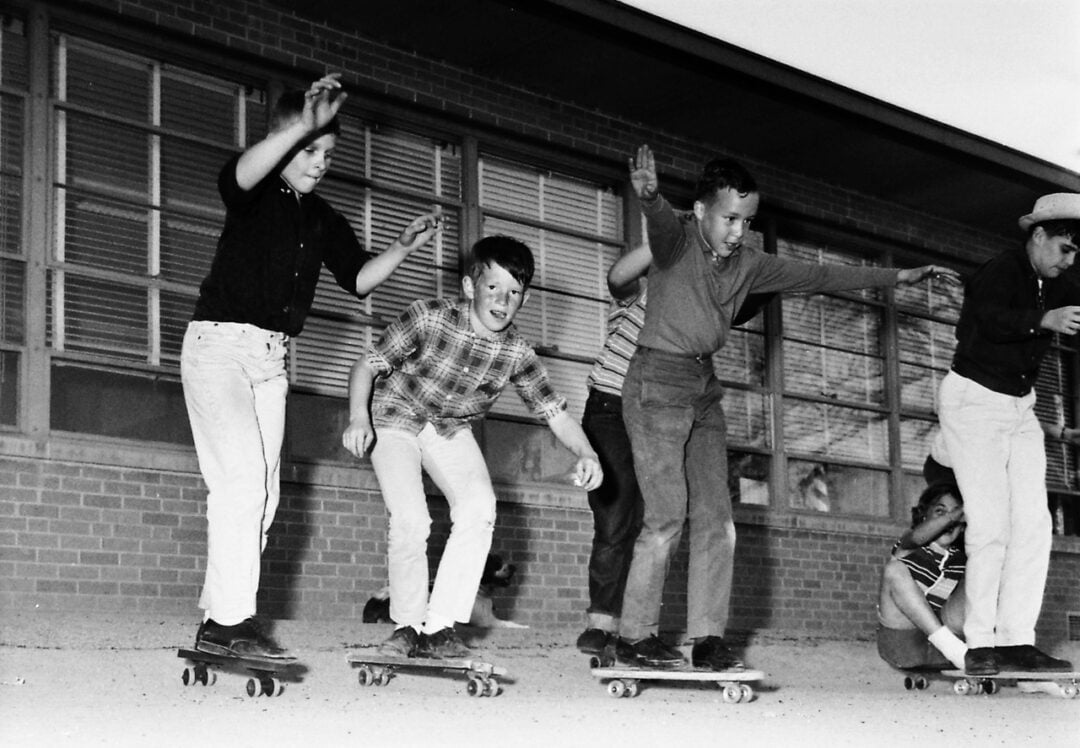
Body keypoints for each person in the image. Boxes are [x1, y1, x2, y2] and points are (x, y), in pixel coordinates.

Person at [608, 144, 961, 672]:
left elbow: (818, 276)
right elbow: (659, 226)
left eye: (747, 222)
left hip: (703, 386)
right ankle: (634, 638)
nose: (738, 232)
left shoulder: (750, 262)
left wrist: (899, 277)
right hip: (657, 380)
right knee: (664, 517)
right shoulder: (677, 242)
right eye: (729, 218)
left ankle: (707, 638)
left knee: (717, 521)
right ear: (702, 211)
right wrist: (652, 197)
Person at [182, 73, 441, 659]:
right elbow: (236, 176)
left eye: (328, 153)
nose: (320, 162)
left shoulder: (320, 217)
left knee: (266, 498)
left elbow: (357, 278)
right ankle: (228, 621)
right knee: (242, 483)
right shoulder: (254, 191)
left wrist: (402, 247)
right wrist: (302, 122)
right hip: (218, 349)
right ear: (282, 137)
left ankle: (218, 618)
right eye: (309, 149)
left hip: (270, 362)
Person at [343, 235, 603, 659]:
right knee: (411, 518)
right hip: (394, 417)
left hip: (448, 429)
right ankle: (407, 626)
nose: (503, 300)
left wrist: (586, 453)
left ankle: (439, 627)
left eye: (514, 292)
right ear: (469, 287)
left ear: (525, 297)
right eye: (493, 287)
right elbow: (367, 365)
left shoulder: (517, 351)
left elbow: (555, 412)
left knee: (480, 508)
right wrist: (358, 416)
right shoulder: (430, 317)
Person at [576, 245, 772, 655]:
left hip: (669, 410)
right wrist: (667, 237)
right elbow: (618, 277)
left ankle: (654, 631)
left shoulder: (708, 314)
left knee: (671, 513)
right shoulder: (649, 289)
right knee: (618, 514)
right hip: (613, 405)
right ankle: (603, 622)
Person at [936, 192, 1080, 676]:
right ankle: (980, 641)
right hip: (974, 400)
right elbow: (986, 321)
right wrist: (1043, 320)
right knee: (991, 524)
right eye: (1064, 248)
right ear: (1038, 236)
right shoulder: (1002, 270)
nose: (1069, 261)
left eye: (1077, 254)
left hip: (1020, 409)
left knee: (1034, 525)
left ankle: (1018, 638)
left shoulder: (1056, 281)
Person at [877, 482, 967, 671]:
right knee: (894, 570)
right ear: (924, 516)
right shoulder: (910, 546)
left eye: (956, 516)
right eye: (940, 512)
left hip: (944, 647)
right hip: (902, 642)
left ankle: (993, 649)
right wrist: (953, 515)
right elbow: (917, 537)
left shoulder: (962, 560)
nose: (949, 522)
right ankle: (951, 647)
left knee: (982, 573)